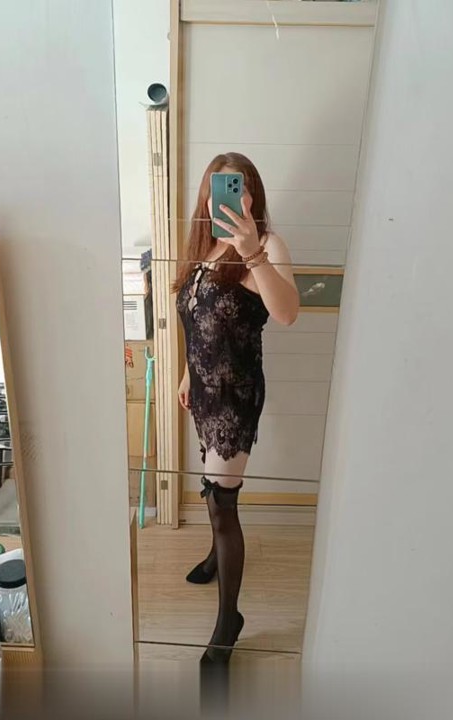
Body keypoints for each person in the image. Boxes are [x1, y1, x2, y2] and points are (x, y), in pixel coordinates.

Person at [174, 153, 300, 663]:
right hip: (203, 391)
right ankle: (213, 555)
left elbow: (287, 313)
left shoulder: (266, 244)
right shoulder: (201, 246)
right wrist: (187, 373)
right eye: (219, 188)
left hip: (235, 399)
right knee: (215, 491)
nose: (230, 197)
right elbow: (195, 319)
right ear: (207, 197)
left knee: (221, 502)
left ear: (253, 195)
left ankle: (229, 621)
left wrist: (251, 253)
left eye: (240, 187)